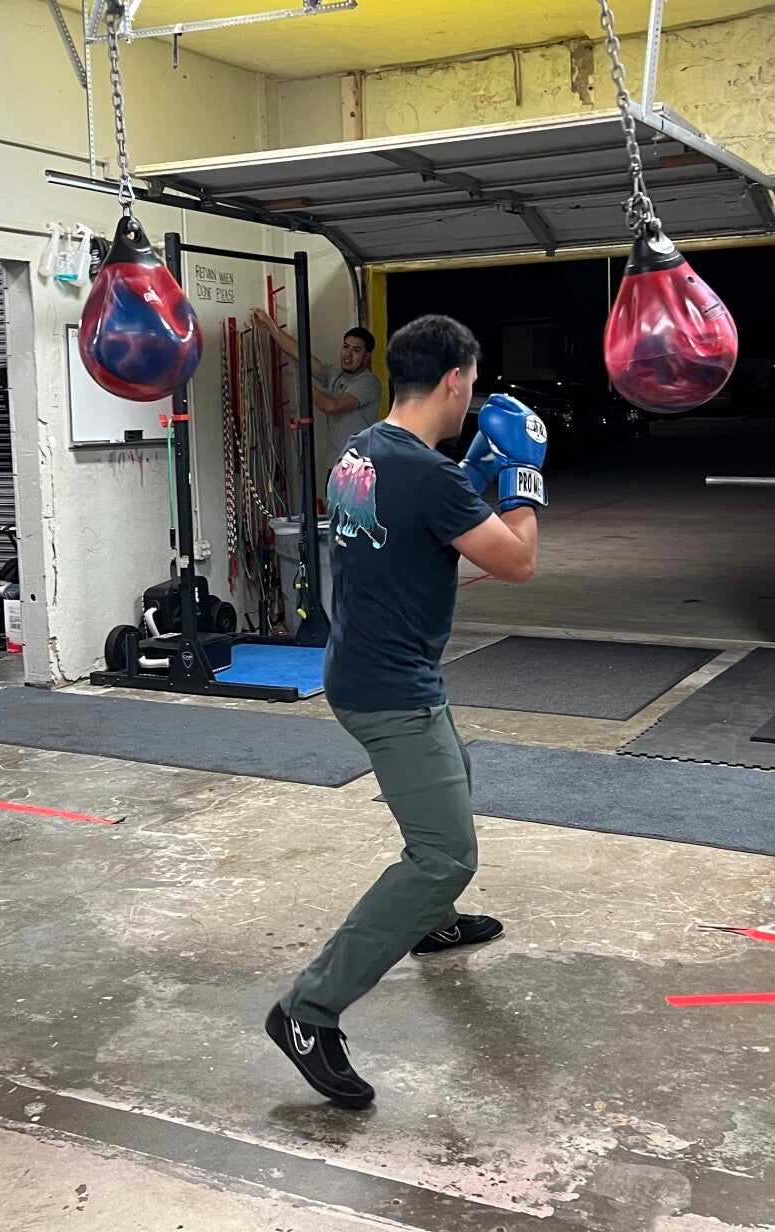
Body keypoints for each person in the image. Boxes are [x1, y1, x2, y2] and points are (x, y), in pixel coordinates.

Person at [267, 313, 545, 1108]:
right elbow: (518, 561)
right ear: (455, 380)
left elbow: (419, 528)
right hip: (392, 690)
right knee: (444, 854)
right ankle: (308, 1010)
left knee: (453, 775)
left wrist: (476, 475)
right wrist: (523, 477)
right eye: (473, 383)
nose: (473, 397)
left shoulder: (363, 451)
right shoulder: (429, 475)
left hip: (364, 666)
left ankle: (434, 923)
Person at [251, 308, 384, 461]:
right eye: (346, 347)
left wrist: (305, 383)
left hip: (358, 464)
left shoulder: (369, 382)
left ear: (367, 356)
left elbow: (332, 406)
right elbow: (300, 354)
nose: (348, 354)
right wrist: (268, 324)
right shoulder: (335, 375)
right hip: (336, 462)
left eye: (356, 350)